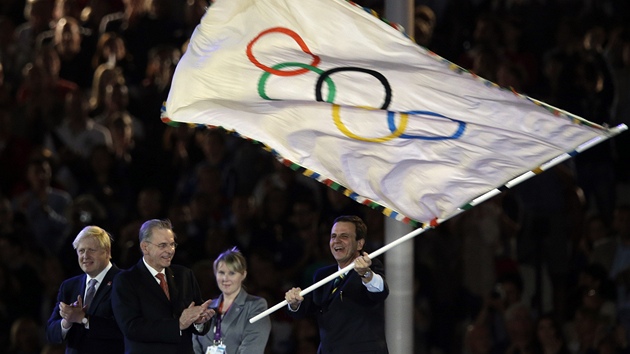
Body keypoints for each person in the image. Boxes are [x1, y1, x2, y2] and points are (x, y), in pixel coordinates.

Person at [285, 215, 389, 354]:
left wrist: (365, 273)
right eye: (333, 236)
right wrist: (294, 303)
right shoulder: (322, 275)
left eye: (344, 236)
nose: (336, 241)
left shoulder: (371, 267)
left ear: (359, 243)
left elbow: (380, 290)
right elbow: (307, 309)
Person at [111, 218, 214, 354]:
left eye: (172, 244)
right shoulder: (126, 281)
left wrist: (199, 321)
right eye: (162, 245)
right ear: (145, 247)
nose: (170, 250)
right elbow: (132, 327)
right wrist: (178, 325)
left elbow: (196, 311)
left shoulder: (184, 275)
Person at [45, 225, 124, 354]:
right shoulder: (69, 286)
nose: (85, 256)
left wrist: (83, 319)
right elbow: (51, 334)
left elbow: (125, 328)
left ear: (107, 252)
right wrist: (67, 321)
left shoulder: (124, 281)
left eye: (91, 250)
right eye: (81, 251)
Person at [192, 247, 271, 354]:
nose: (225, 278)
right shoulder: (207, 307)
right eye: (221, 272)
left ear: (243, 274)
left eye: (232, 273)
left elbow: (252, 348)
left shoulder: (256, 306)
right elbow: (194, 345)